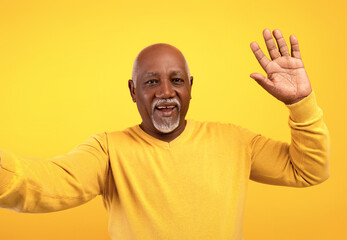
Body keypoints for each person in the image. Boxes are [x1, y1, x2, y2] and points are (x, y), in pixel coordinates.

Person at [0, 29, 330, 240]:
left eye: (176, 80)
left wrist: (301, 103)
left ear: (190, 87)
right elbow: (39, 186)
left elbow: (308, 170)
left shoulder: (235, 142)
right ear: (133, 91)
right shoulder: (107, 150)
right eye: (151, 82)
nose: (166, 92)